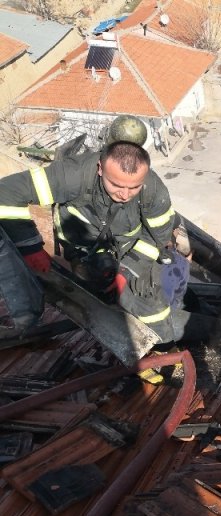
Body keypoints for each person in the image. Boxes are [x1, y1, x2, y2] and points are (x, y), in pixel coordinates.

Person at [0, 117, 187, 347]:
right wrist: (30, 247)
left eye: (134, 187)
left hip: (131, 250)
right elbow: (6, 193)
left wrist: (127, 271)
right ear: (100, 169)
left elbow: (156, 238)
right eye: (117, 185)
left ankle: (163, 349)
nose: (125, 195)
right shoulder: (72, 175)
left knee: (148, 303)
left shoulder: (154, 190)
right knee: (96, 298)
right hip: (87, 250)